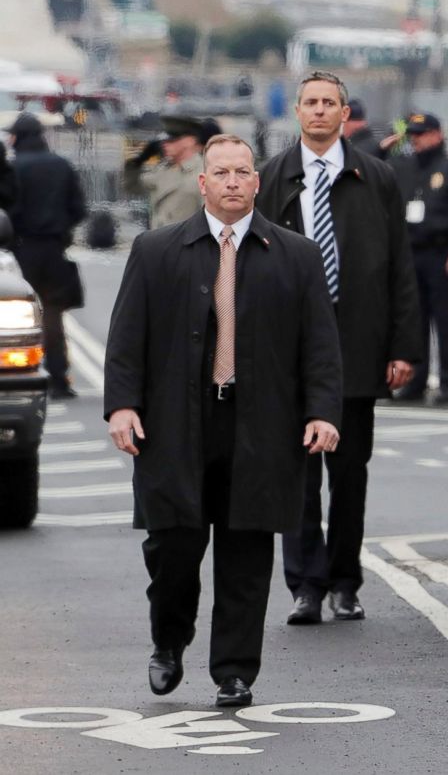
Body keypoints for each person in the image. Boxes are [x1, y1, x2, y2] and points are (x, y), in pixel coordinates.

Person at [104, 134, 342, 708]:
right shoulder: (157, 251)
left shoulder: (296, 255)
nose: (233, 181)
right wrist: (122, 406)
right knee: (172, 550)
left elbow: (320, 346)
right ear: (202, 182)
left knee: (247, 552)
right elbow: (126, 338)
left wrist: (322, 412)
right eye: (221, 172)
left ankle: (234, 671)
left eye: (243, 172)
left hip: (260, 426)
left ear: (257, 183)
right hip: (176, 424)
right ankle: (168, 640)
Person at [257, 72, 423, 625]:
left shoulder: (375, 177)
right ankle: (305, 583)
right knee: (298, 475)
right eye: (310, 102)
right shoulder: (273, 178)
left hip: (357, 344)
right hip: (291, 352)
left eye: (330, 103)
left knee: (349, 473)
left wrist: (403, 346)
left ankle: (345, 580)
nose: (320, 111)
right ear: (297, 111)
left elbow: (401, 265)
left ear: (345, 112)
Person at [390, 113, 448, 405]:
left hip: (442, 254)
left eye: (421, 135)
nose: (416, 140)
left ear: (435, 135)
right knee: (414, 320)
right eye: (413, 135)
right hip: (411, 253)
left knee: (446, 322)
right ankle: (415, 381)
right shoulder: (404, 166)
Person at [8, 113, 86, 398]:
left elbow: (8, 210)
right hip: (55, 250)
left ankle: (20, 373)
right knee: (53, 314)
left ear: (18, 137)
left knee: (19, 315)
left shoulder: (13, 169)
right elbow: (79, 209)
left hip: (21, 250)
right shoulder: (62, 166)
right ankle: (59, 378)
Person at [124, 115, 205, 229]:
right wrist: (138, 161)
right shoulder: (162, 169)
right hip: (159, 241)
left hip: (186, 242)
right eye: (164, 141)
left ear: (189, 141)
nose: (164, 144)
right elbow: (133, 187)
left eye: (172, 140)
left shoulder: (203, 172)